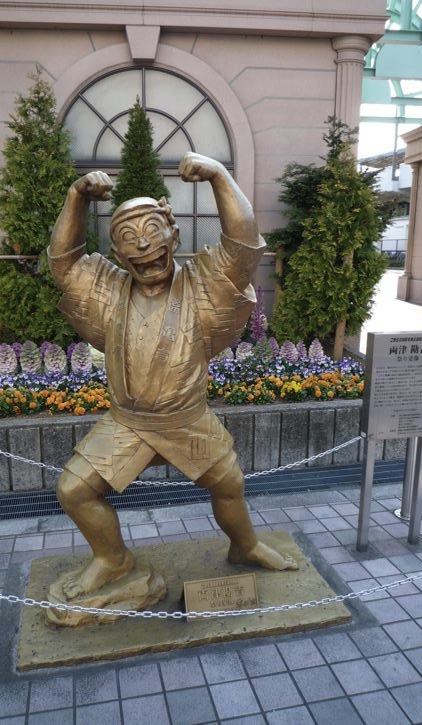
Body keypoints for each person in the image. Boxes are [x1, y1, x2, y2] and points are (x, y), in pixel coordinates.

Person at [49, 152, 297, 601]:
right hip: (128, 422)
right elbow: (65, 264)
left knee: (229, 485)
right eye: (128, 238)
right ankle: (113, 558)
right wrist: (75, 197)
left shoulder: (202, 283)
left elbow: (243, 247)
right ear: (117, 254)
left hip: (188, 419)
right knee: (74, 490)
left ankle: (244, 546)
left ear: (173, 235)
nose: (143, 245)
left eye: (152, 230)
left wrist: (219, 176)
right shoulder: (109, 289)